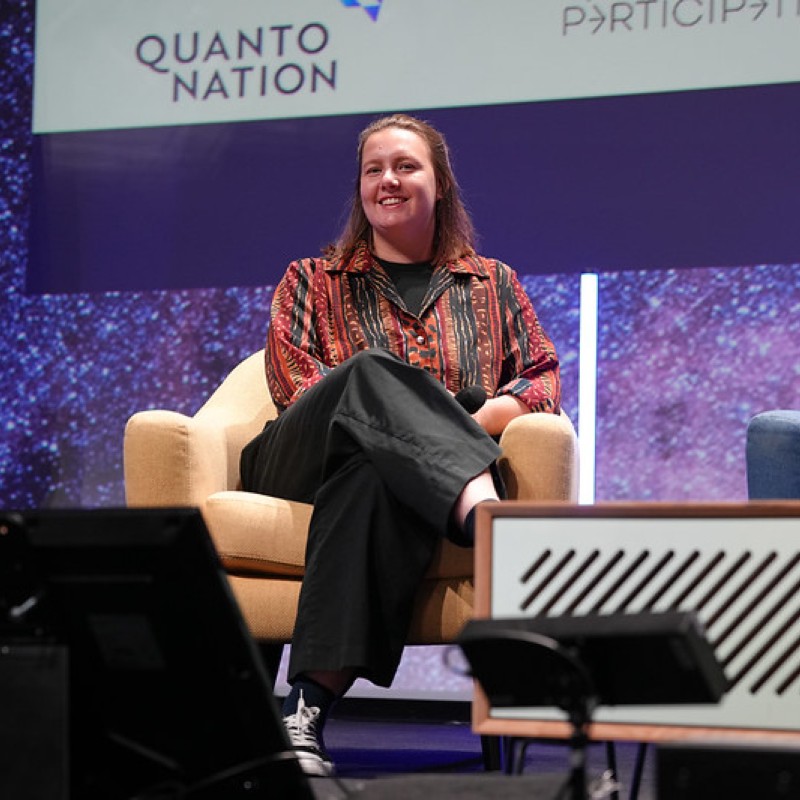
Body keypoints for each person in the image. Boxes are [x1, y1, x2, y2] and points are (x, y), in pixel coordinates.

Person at [239, 113, 561, 776]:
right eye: (374, 169)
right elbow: (299, 389)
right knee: (367, 373)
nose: (389, 180)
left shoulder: (491, 283)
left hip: (379, 480)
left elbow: (542, 378)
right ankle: (477, 502)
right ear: (359, 186)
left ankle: (305, 713)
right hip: (295, 459)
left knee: (371, 480)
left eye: (406, 167)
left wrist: (445, 432)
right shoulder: (312, 278)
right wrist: (451, 428)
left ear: (439, 184)